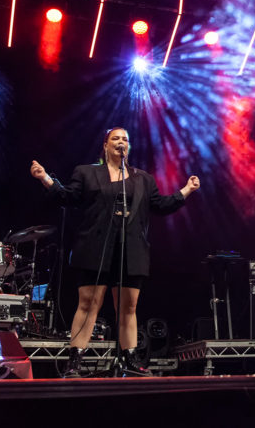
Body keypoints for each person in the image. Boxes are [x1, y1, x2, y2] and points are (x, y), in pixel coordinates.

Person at [30, 127, 200, 377]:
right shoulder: (87, 172)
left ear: (128, 146)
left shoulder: (143, 178)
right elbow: (68, 197)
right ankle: (75, 359)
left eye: (125, 139)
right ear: (106, 145)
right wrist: (45, 178)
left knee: (128, 307)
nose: (121, 142)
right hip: (96, 247)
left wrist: (186, 190)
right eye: (116, 138)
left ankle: (130, 359)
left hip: (131, 249)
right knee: (88, 304)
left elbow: (160, 205)